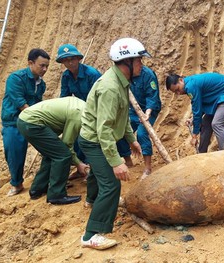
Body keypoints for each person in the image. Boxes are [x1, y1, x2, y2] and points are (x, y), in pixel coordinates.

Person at [78, 37, 144, 250]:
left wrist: (131, 140)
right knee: (111, 184)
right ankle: (91, 235)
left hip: (99, 138)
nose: (142, 64)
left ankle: (92, 201)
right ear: (127, 63)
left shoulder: (121, 82)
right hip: (94, 141)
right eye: (139, 60)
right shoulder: (110, 87)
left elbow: (121, 116)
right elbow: (104, 129)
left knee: (99, 175)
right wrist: (116, 162)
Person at [16, 97, 88, 205]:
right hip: (32, 123)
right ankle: (57, 195)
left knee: (52, 154)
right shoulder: (79, 115)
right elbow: (66, 144)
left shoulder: (82, 105)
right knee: (63, 156)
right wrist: (79, 164)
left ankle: (37, 189)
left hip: (25, 120)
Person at [1, 48, 50, 196]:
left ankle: (48, 180)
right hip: (14, 122)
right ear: (30, 63)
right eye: (42, 65)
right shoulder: (16, 78)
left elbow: (37, 104)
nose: (45, 69)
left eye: (47, 66)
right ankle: (17, 184)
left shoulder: (41, 84)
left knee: (50, 147)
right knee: (15, 153)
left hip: (31, 120)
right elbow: (22, 105)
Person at [166, 72, 224, 153]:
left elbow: (197, 111)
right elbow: (200, 106)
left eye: (178, 89)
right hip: (220, 99)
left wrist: (194, 135)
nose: (179, 93)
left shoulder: (190, 86)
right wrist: (192, 119)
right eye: (175, 92)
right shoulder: (190, 84)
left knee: (217, 124)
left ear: (180, 80)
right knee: (205, 123)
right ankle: (201, 154)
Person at [56, 44, 102, 173]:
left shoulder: (92, 74)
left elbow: (102, 96)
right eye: (66, 60)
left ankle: (94, 169)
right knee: (75, 138)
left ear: (78, 59)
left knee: (91, 139)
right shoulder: (66, 76)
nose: (70, 63)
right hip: (80, 113)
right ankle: (81, 167)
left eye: (72, 59)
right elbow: (64, 98)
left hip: (97, 110)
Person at [116, 53, 161, 178]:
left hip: (149, 109)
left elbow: (152, 96)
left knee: (142, 133)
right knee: (121, 132)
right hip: (132, 110)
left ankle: (147, 167)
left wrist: (147, 114)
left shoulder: (148, 75)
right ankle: (128, 160)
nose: (141, 64)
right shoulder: (124, 75)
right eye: (138, 62)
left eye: (141, 61)